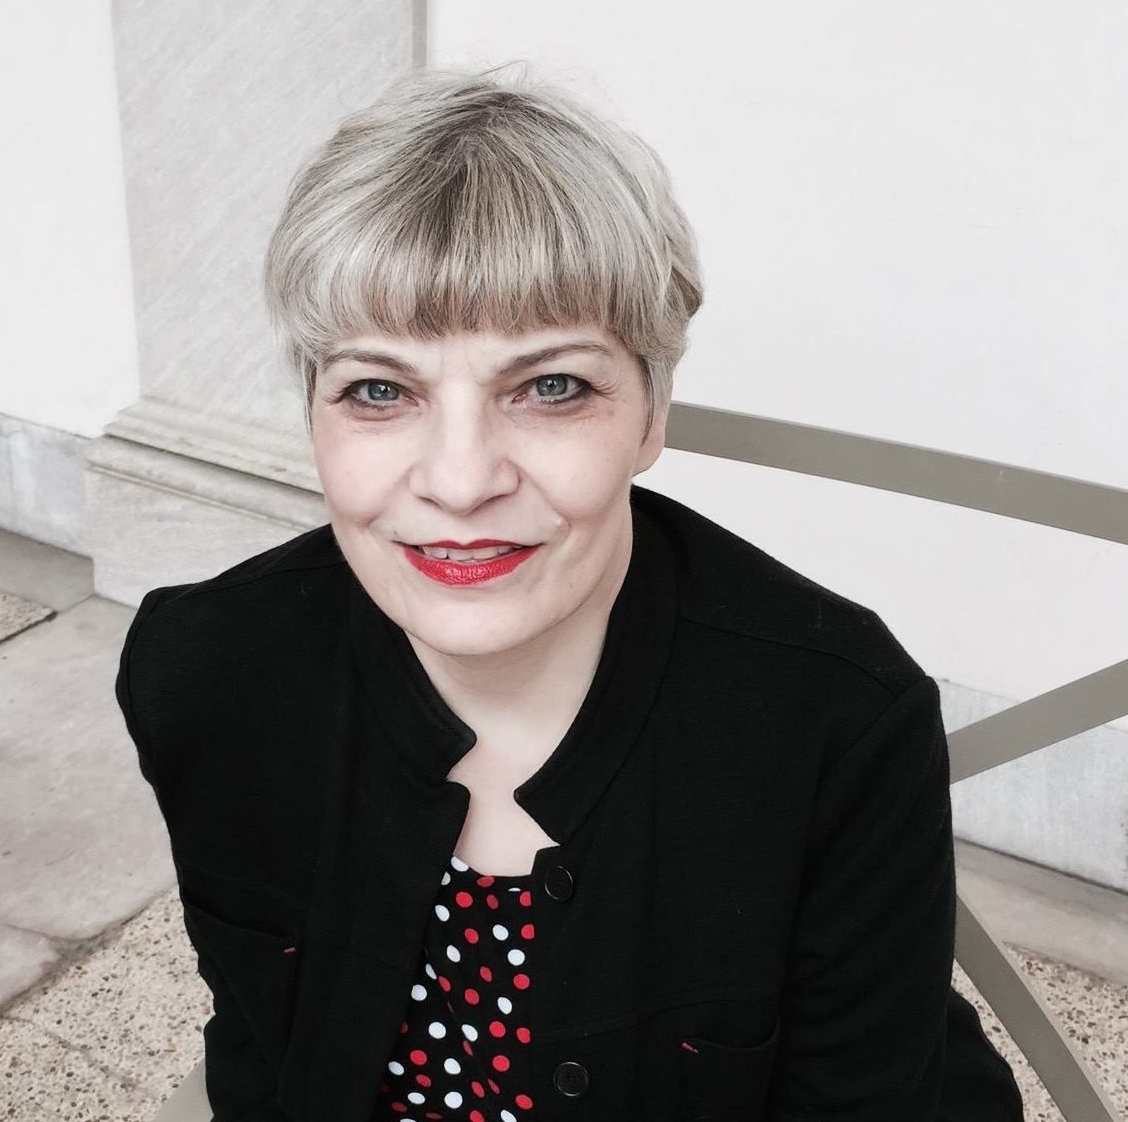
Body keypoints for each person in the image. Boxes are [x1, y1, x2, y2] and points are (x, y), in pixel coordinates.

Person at [115, 63, 1024, 1121]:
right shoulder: (207, 673)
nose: (460, 480)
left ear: (649, 414)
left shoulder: (839, 723)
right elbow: (265, 1049)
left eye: (551, 387)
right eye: (378, 389)